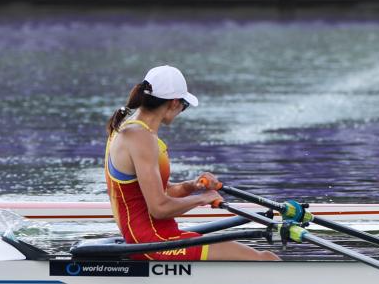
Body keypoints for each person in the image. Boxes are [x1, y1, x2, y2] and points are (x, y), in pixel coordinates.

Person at [105, 65, 279, 262]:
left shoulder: (129, 128)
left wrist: (193, 186)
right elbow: (159, 208)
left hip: (157, 238)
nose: (182, 111)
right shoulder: (141, 137)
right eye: (184, 105)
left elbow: (158, 193)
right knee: (266, 259)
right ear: (174, 102)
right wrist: (202, 199)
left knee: (263, 257)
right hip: (153, 243)